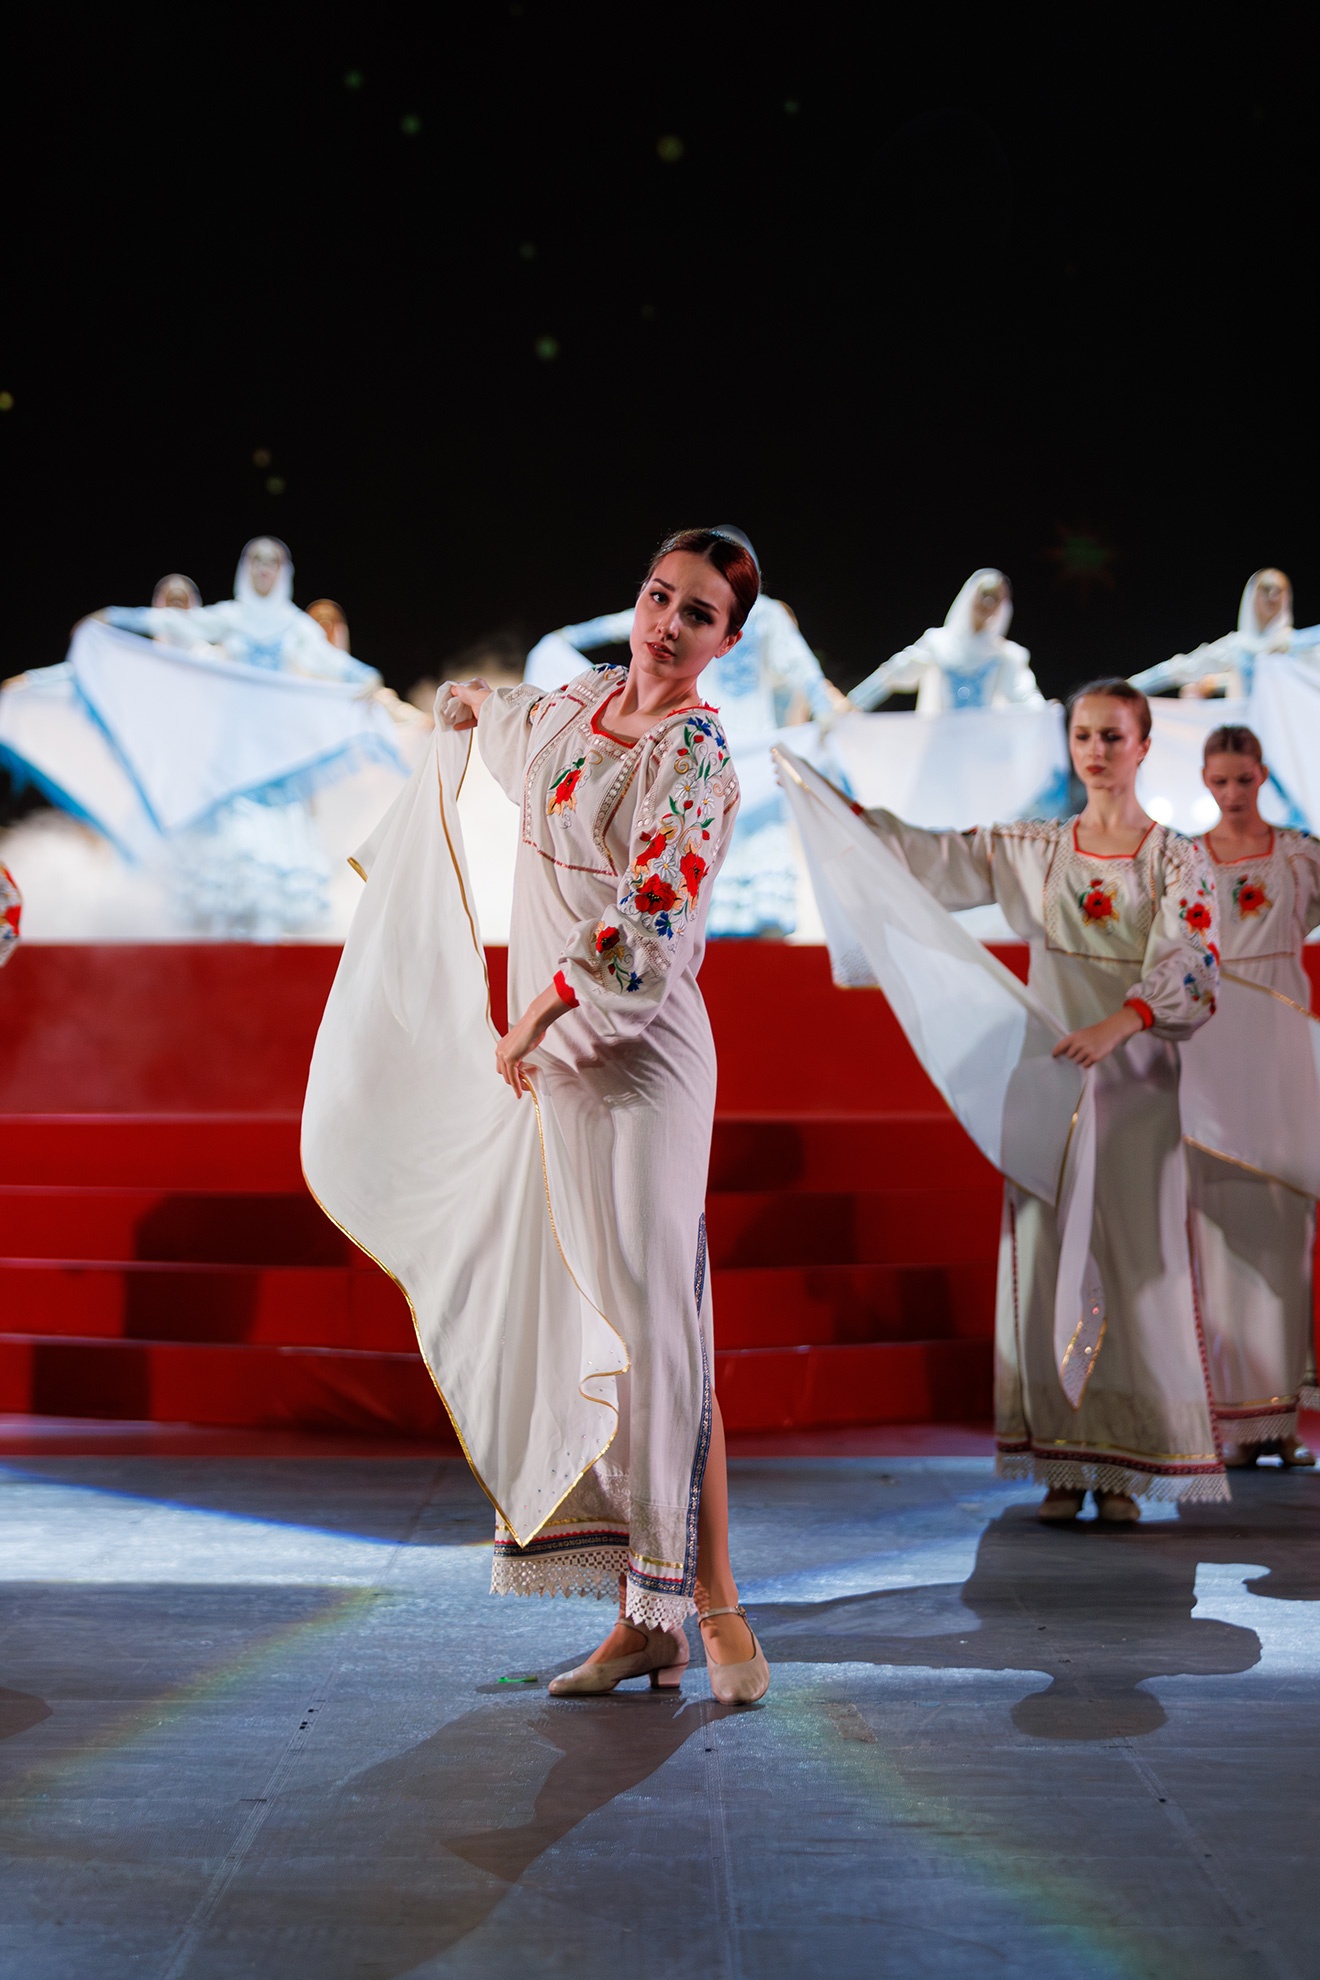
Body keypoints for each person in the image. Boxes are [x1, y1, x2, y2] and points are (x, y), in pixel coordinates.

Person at [304, 526, 771, 1703]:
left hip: (639, 1065)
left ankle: (711, 1606)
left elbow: (652, 913)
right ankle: (645, 1620)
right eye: (658, 597)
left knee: (659, 1333)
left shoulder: (697, 755)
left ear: (726, 642)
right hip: (553, 1066)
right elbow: (507, 721)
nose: (667, 625)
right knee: (595, 1330)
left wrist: (546, 1007)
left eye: (698, 614)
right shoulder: (577, 707)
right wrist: (466, 705)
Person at [840, 679, 1225, 1520]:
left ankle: (1125, 1468)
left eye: (1113, 736)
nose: (1096, 751)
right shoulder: (1037, 847)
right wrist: (850, 820)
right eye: (1084, 735)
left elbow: (1194, 962)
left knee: (1134, 1262)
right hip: (1051, 1075)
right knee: (1047, 1257)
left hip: (1135, 1087)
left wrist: (1121, 1022)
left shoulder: (1176, 858)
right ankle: (1063, 1461)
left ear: (1143, 745)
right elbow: (937, 857)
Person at [524, 530, 846, 936]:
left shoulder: (764, 617)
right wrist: (828, 716)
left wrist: (563, 638)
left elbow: (803, 671)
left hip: (725, 743)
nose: (671, 622)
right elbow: (804, 673)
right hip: (709, 741)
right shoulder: (749, 615)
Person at [1183, 724, 1320, 1465]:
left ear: (1262, 776)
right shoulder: (1187, 862)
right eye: (1220, 781)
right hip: (1211, 1060)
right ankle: (1236, 1423)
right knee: (1221, 1232)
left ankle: (1283, 1419)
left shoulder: (1301, 857)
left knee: (1285, 1231)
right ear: (1205, 782)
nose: (1232, 793)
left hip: (1282, 1056)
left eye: (1243, 779)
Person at [103, 538, 380, 687]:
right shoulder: (231, 617)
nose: (264, 569)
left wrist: (369, 677)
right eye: (257, 560)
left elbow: (330, 660)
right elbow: (173, 621)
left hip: (281, 730)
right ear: (246, 567)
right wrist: (112, 617)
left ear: (283, 571)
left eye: (272, 562)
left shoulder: (295, 624)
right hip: (234, 733)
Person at [848, 569, 1044, 714]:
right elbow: (893, 674)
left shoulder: (1006, 655)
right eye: (984, 594)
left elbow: (1025, 696)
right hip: (940, 743)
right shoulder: (938, 643)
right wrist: (856, 701)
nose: (987, 603)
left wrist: (1047, 713)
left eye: (995, 598)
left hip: (983, 746)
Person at [1130, 569, 1314, 700]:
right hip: (1246, 735)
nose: (1272, 596)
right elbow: (1180, 669)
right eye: (1266, 589)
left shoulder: (1298, 646)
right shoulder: (1238, 646)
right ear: (1252, 595)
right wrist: (1129, 687)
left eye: (1279, 590)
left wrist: (1218, 683)